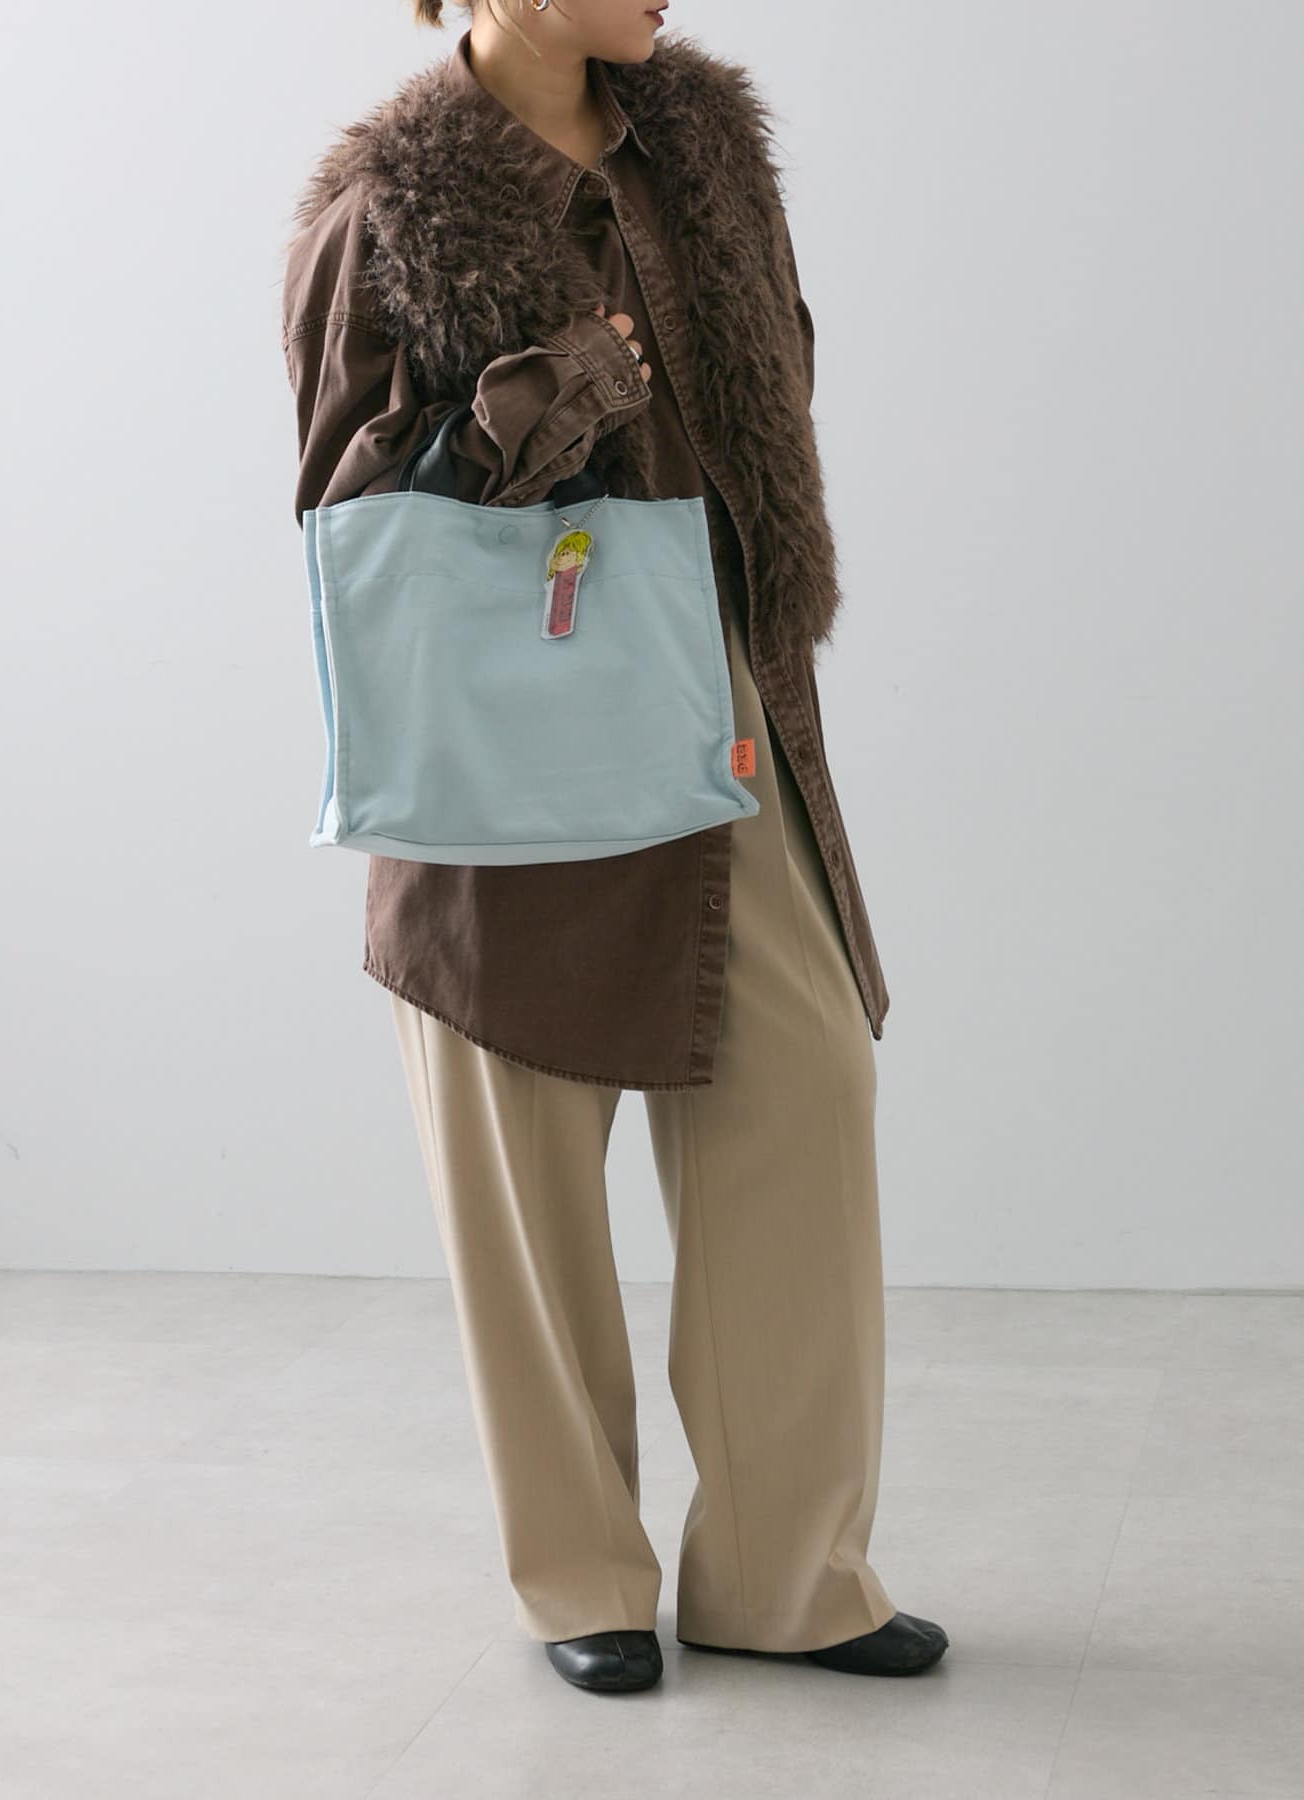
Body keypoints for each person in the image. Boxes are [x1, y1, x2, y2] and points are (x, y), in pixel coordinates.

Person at [279, 0, 949, 1694]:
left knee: (803, 1091)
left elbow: (771, 391)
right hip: (507, 740)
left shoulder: (699, 147)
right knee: (526, 1163)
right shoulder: (390, 206)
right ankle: (578, 1574)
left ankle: (787, 1575)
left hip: (709, 684)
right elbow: (348, 517)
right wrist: (544, 403)